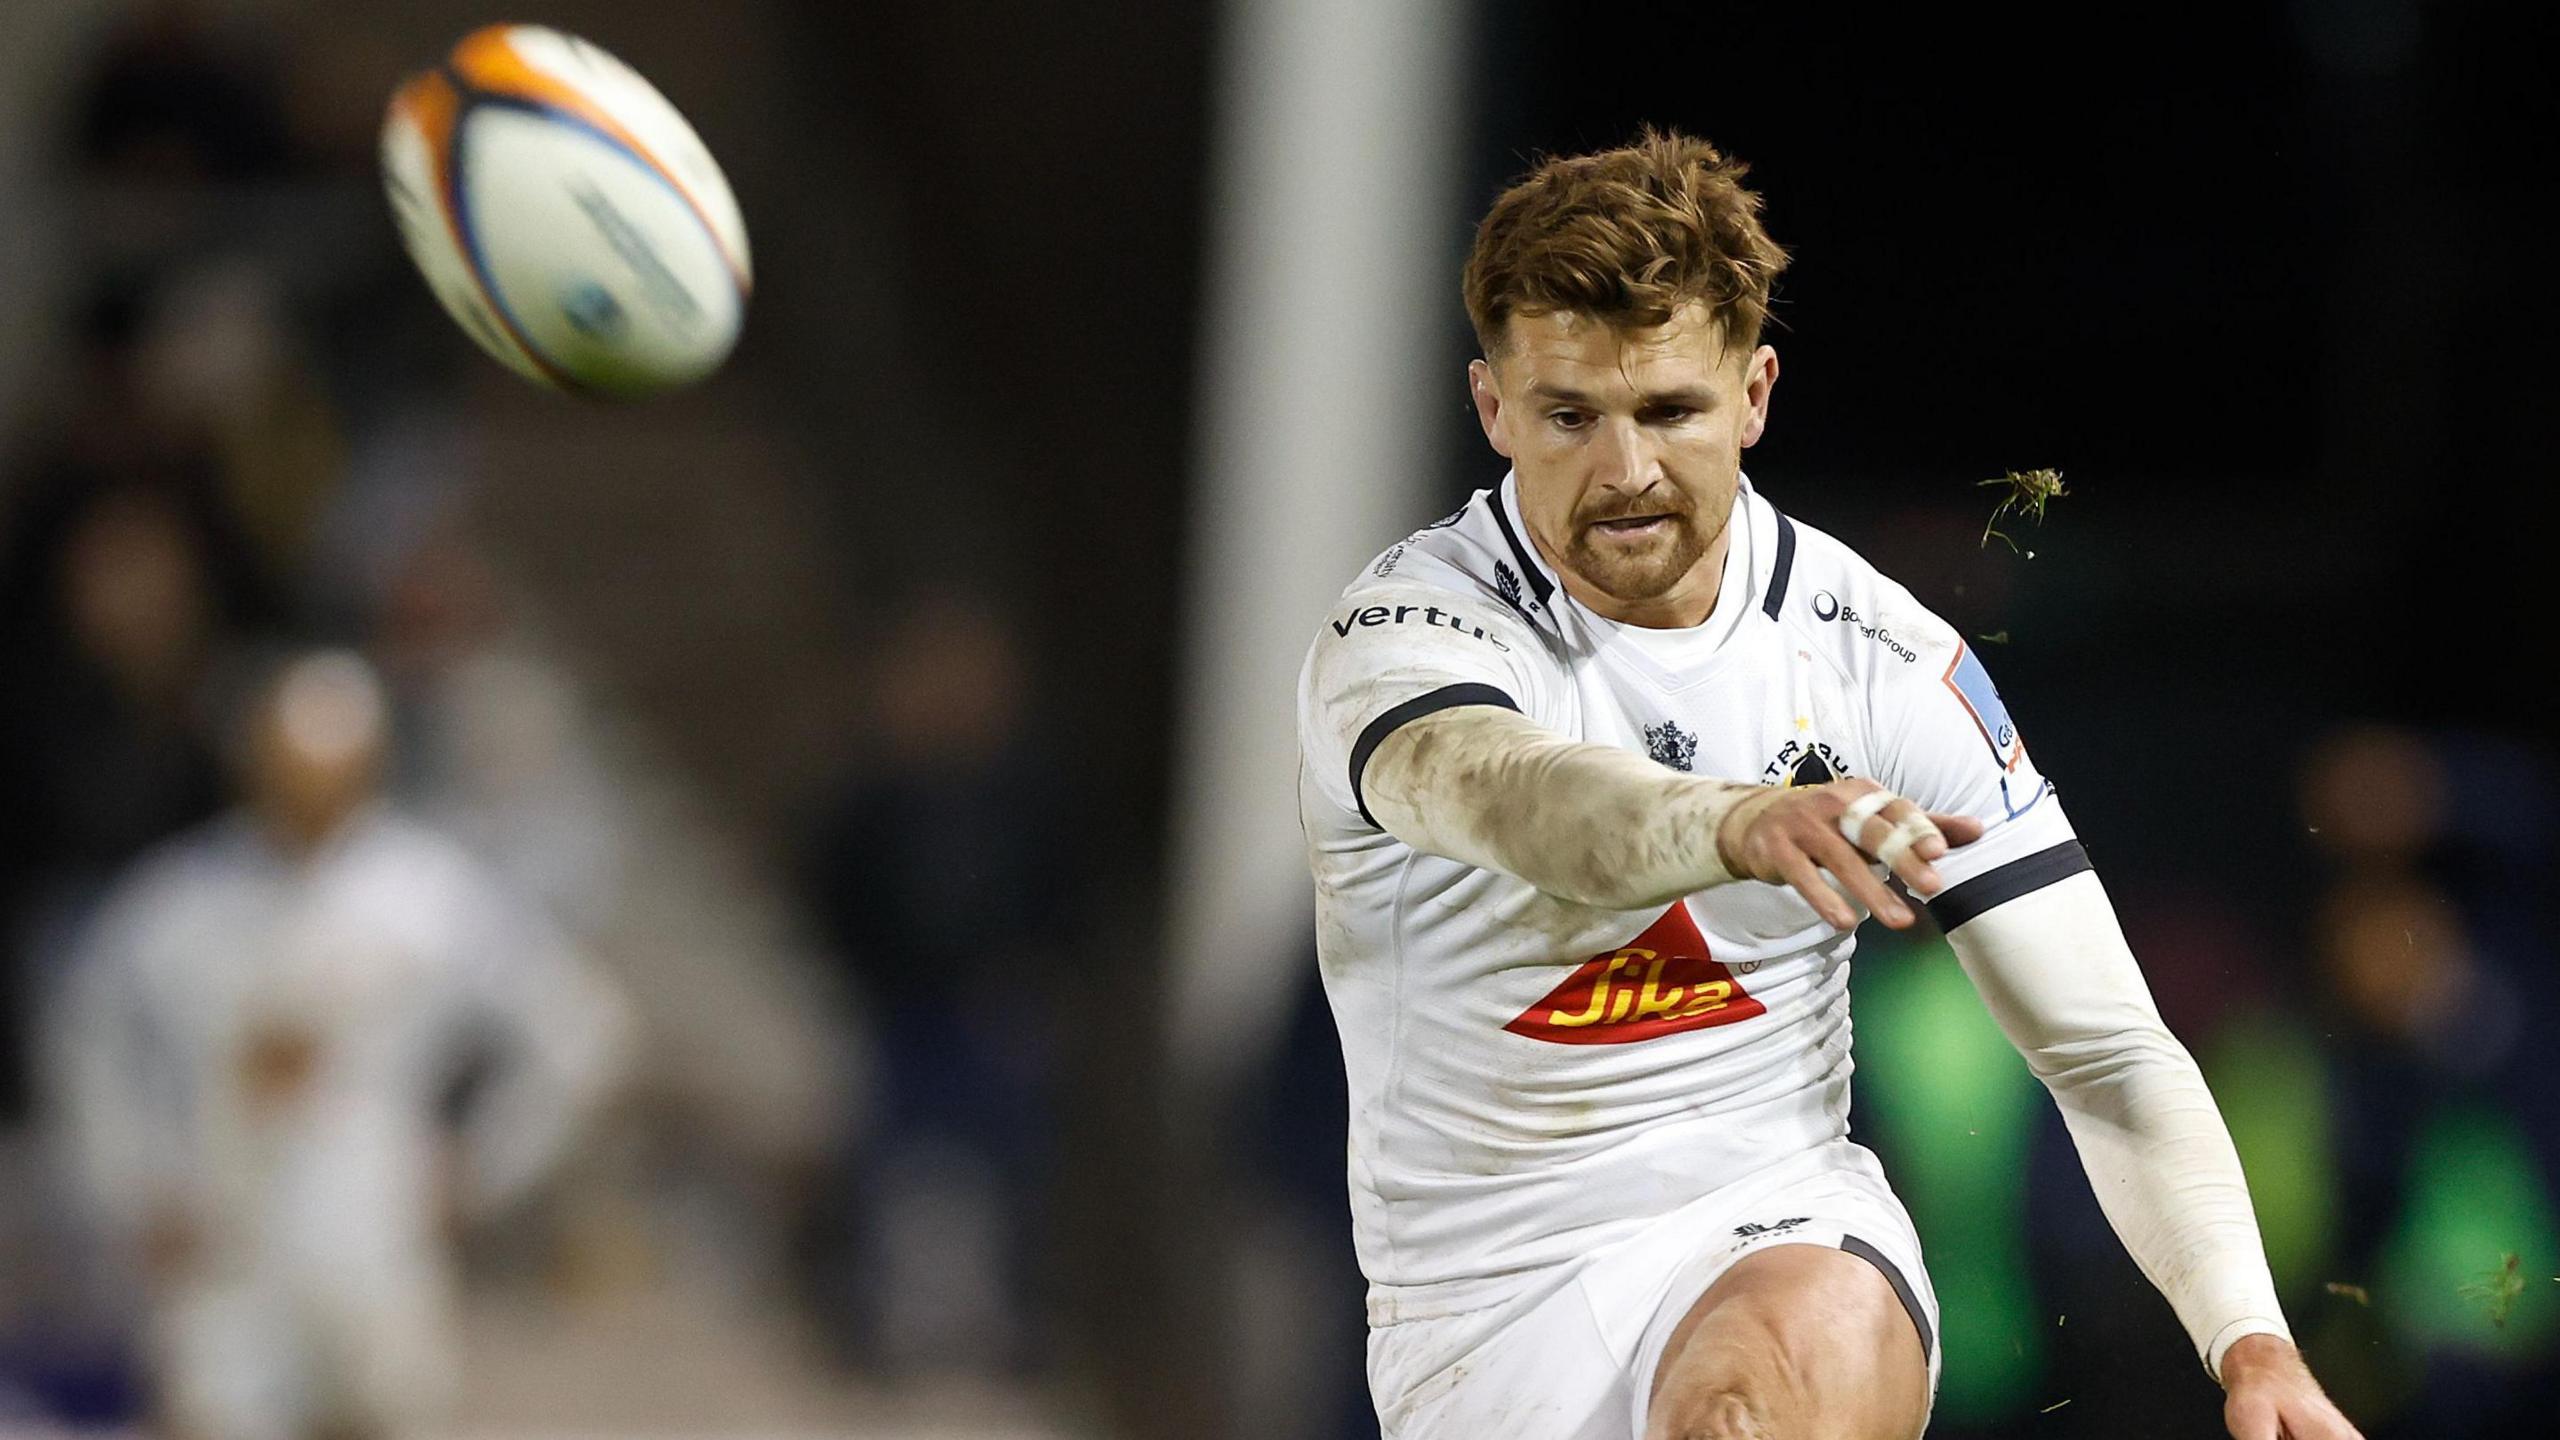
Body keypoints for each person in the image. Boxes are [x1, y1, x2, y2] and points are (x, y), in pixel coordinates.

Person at [1296, 130, 2359, 1440]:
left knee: (1751, 1393)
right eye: (1572, 417)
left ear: (1755, 392)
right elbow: (1524, 802)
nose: (1625, 470)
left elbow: (2103, 1048)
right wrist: (1735, 823)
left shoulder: (1877, 660)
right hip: (1481, 1311)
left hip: (1773, 1222)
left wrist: (2250, 1343)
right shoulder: (1408, 632)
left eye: (1672, 410)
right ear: (1493, 408)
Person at [46, 650, 630, 1440]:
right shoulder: (188, 898)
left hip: (369, 1240)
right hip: (228, 1248)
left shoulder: (426, 897)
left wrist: (478, 1163)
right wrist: (133, 1183)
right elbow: (88, 1031)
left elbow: (577, 1030)